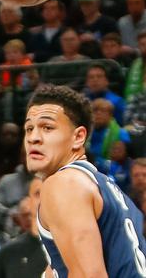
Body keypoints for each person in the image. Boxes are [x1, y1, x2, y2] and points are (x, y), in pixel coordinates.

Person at [24, 84, 146, 276]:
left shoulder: (64, 184)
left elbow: (90, 274)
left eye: (47, 127)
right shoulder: (104, 186)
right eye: (29, 128)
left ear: (78, 137)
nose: (33, 138)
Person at [0, 180, 47, 278]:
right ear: (28, 202)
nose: (45, 199)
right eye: (38, 193)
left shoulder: (72, 246)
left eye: (50, 193)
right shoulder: (9, 253)